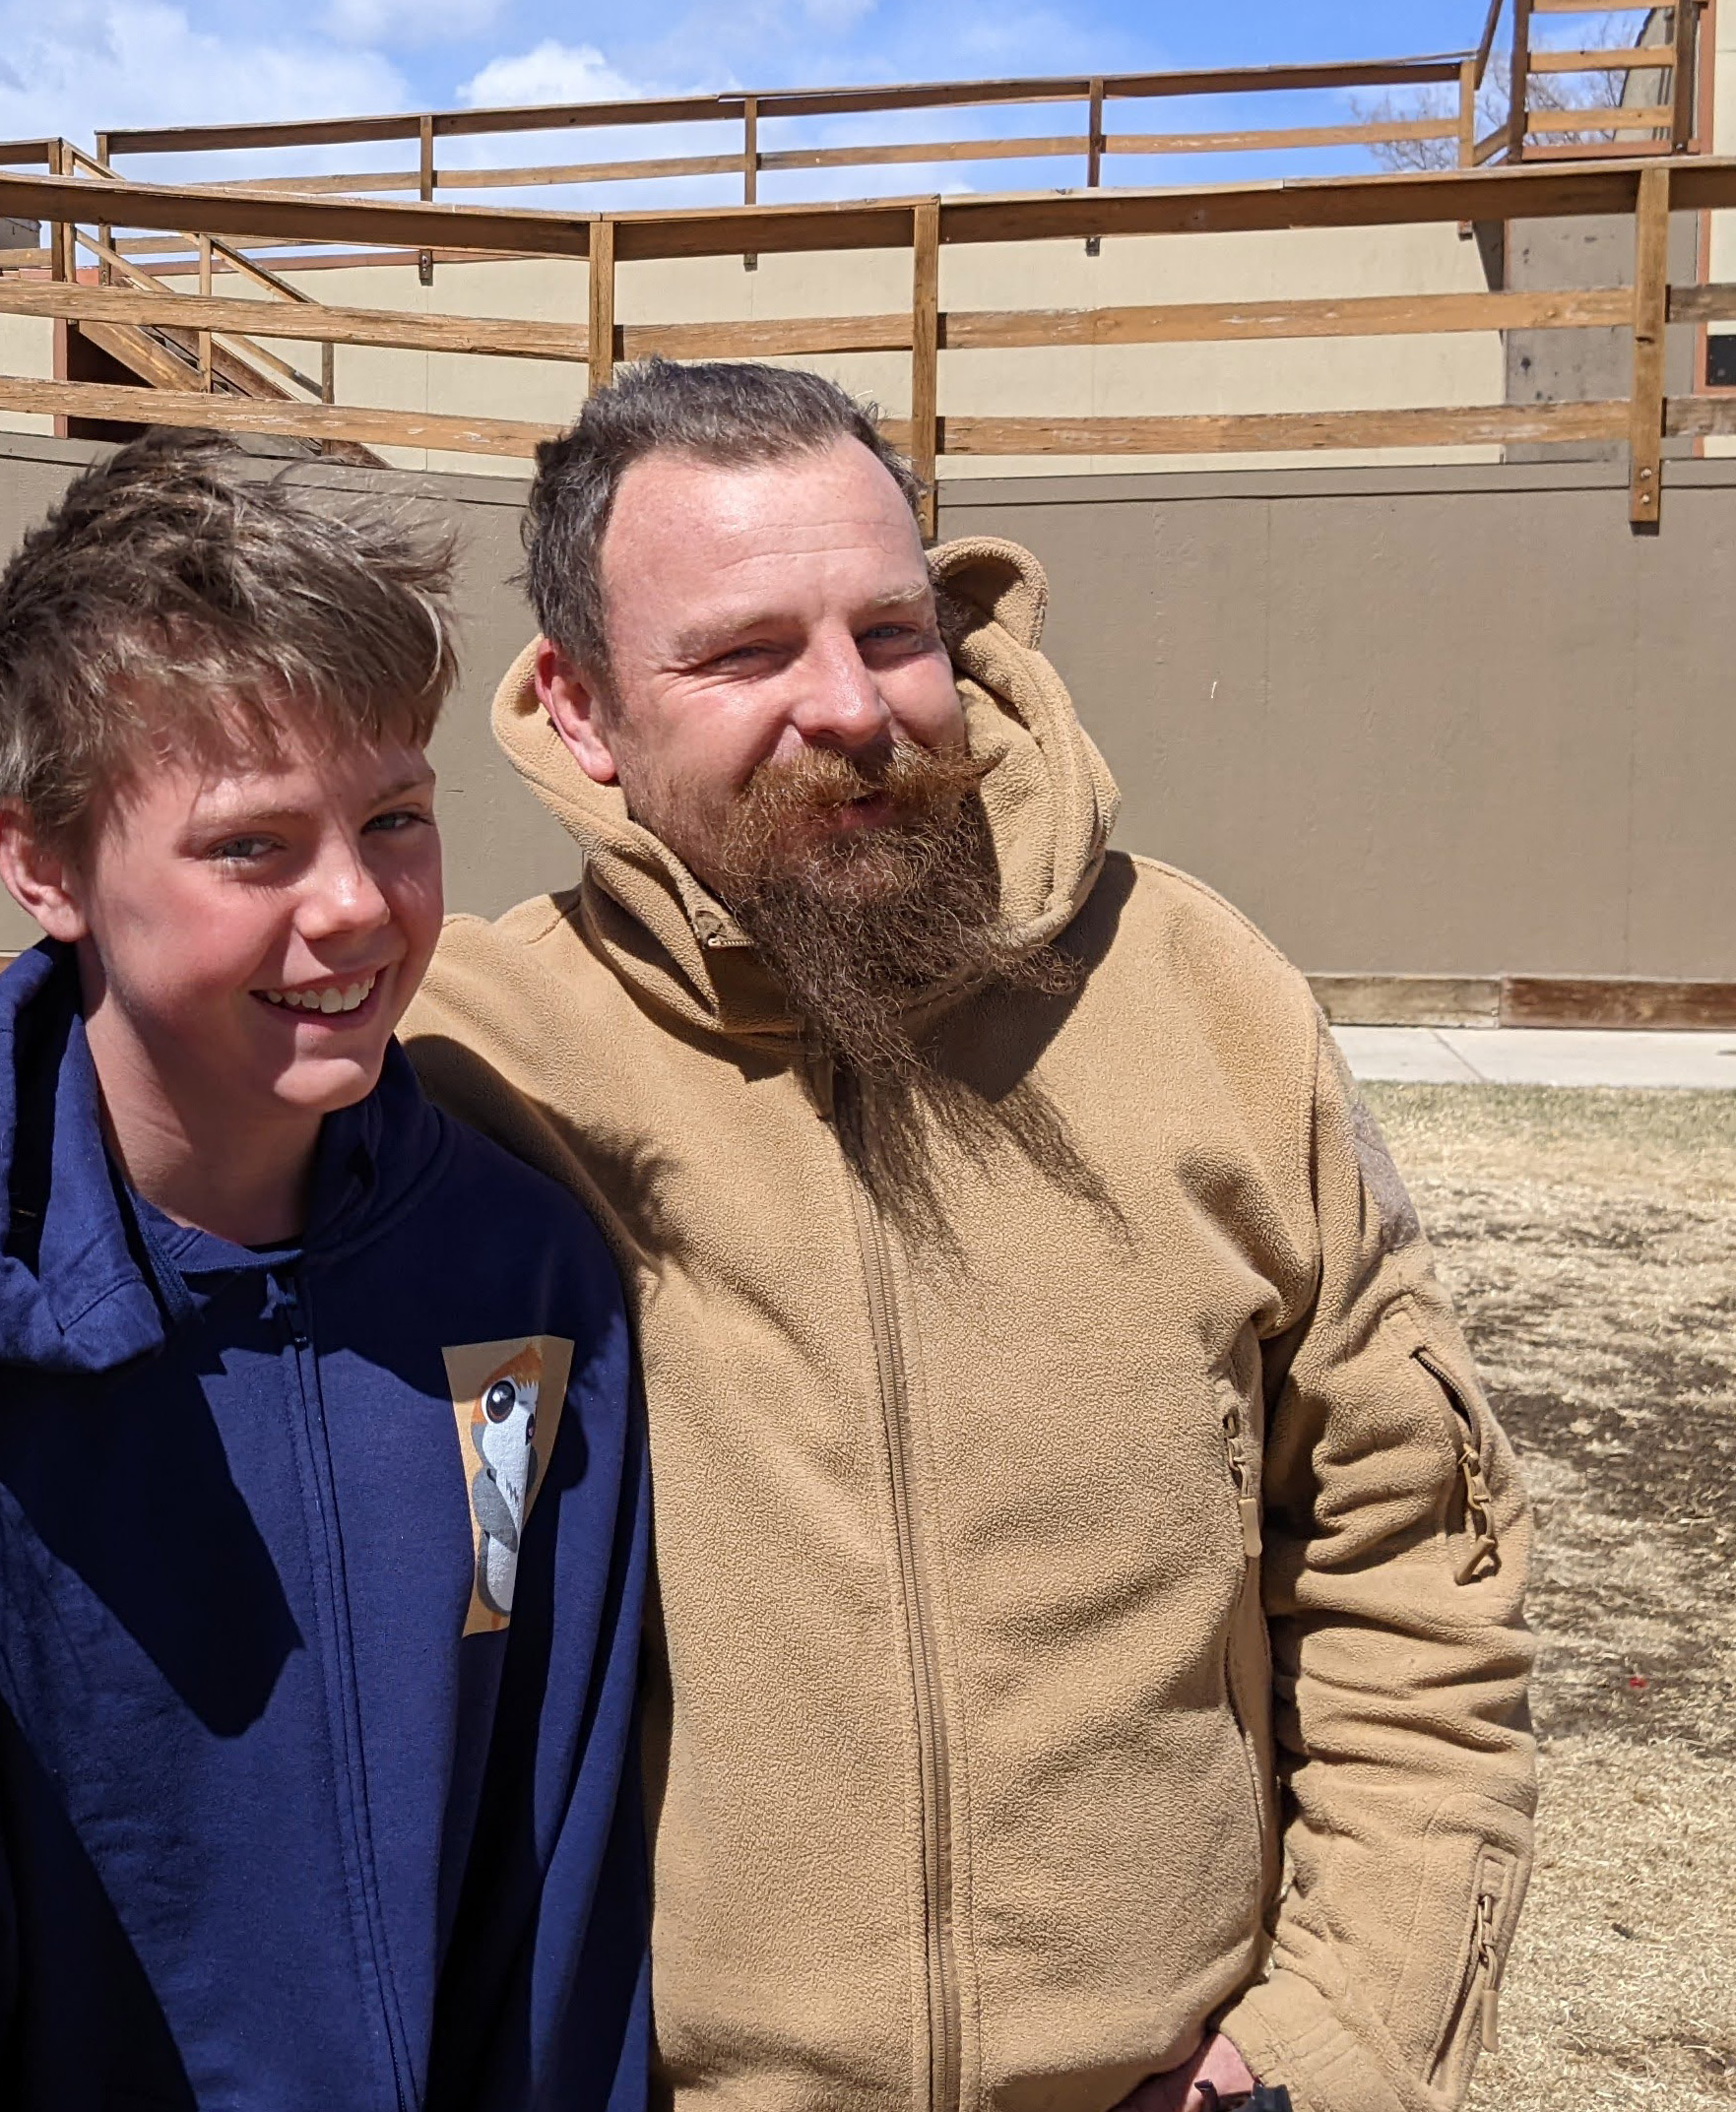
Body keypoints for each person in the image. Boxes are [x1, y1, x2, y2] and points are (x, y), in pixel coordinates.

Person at [395, 361, 1536, 2111]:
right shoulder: (462, 1060)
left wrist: (1323, 2046)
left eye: (890, 626)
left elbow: (1407, 1557)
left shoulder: (1205, 998)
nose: (850, 707)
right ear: (579, 707)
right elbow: (97, 1085)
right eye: (745, 653)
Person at [0, 434, 654, 2111]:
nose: (354, 906)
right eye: (250, 847)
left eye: (394, 818)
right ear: (43, 865)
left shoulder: (522, 1290)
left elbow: (550, 1837)